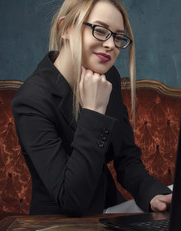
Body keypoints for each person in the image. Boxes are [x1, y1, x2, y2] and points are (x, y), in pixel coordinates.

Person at [11, 0, 172, 217]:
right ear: (65, 28)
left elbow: (127, 159)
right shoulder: (31, 100)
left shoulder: (108, 77)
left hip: (109, 212)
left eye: (117, 37)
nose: (111, 45)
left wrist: (153, 194)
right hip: (59, 224)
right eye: (100, 30)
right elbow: (71, 199)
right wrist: (93, 112)